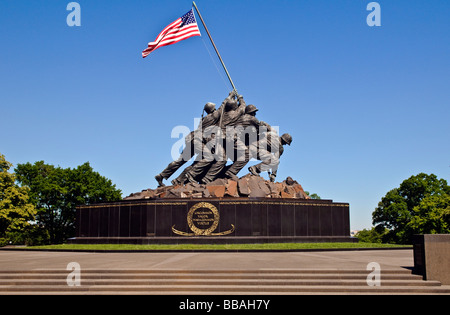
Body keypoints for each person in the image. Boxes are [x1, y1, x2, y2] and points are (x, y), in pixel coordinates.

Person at [154, 100, 222, 187]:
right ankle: (190, 175)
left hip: (193, 139)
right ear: (212, 109)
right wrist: (231, 96)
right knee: (209, 157)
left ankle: (162, 175)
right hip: (198, 141)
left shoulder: (205, 119)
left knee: (181, 160)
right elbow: (221, 108)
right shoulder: (213, 116)